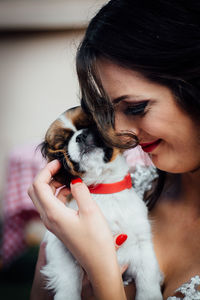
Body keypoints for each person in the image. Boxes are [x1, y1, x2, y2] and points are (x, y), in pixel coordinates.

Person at [28, 0, 200, 299]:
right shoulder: (134, 185)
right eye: (106, 115)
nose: (116, 132)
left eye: (136, 107)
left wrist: (102, 272)